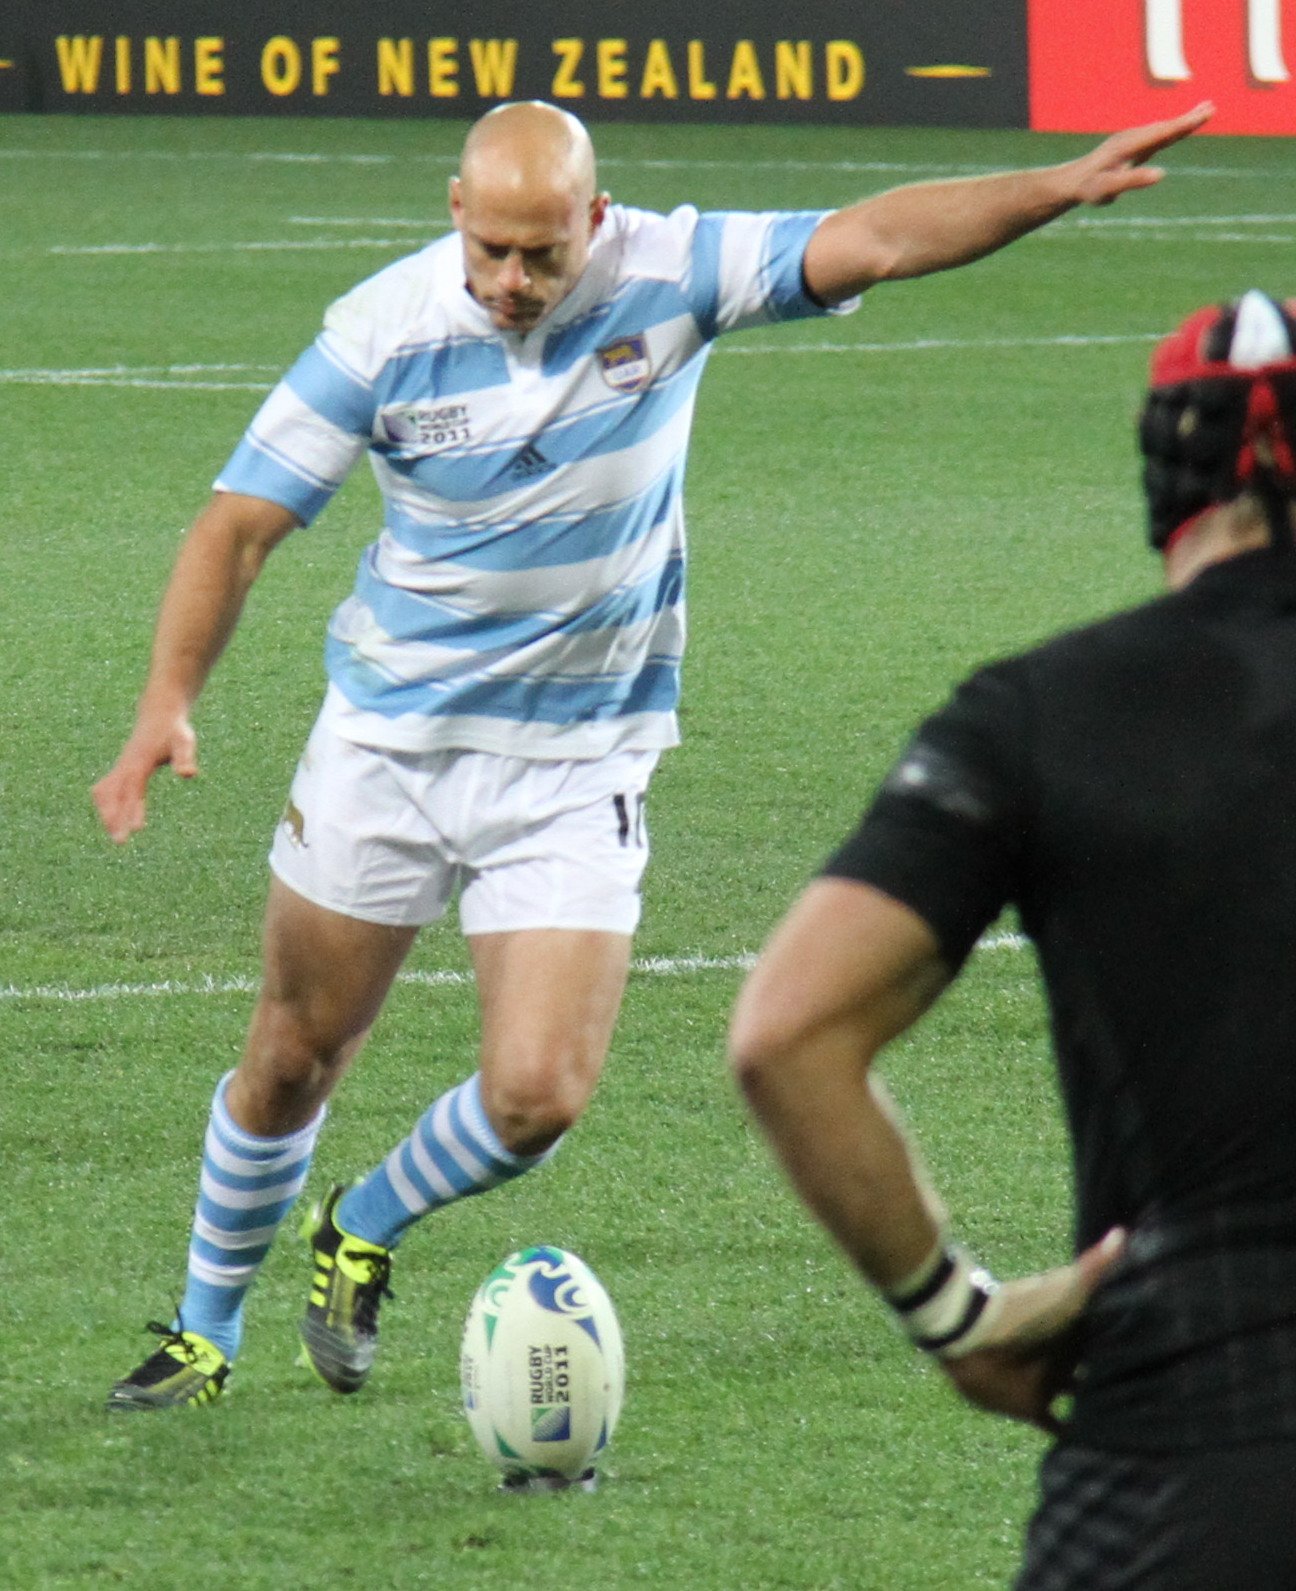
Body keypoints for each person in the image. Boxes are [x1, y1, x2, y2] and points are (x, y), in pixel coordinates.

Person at [93, 98, 1212, 1413]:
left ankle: (365, 1224)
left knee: (538, 1097)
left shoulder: (674, 275)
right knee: (291, 1053)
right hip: (388, 745)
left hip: (577, 763)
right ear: (455, 212)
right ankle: (206, 1330)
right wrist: (168, 699)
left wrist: (1056, 185)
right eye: (492, 251)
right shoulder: (382, 330)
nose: (512, 282)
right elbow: (236, 527)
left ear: (595, 222)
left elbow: (881, 237)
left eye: (542, 255)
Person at [729, 289, 1296, 1587]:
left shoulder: (1040, 716)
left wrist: (958, 1320)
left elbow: (788, 1033)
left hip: (1191, 1445)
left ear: (1167, 478)